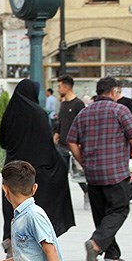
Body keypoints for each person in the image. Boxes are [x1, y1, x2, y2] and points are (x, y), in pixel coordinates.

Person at [67, 76, 132, 261]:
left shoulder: (84, 113)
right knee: (119, 210)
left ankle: (112, 256)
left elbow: (71, 141)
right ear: (114, 91)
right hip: (115, 172)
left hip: (93, 173)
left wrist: (83, 161)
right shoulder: (120, 110)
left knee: (102, 215)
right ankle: (96, 243)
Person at [0, 78, 74, 258]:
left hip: (11, 168)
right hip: (34, 170)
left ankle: (10, 239)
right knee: (34, 205)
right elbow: (46, 145)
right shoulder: (39, 114)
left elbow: (3, 141)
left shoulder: (10, 113)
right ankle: (35, 241)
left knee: (12, 204)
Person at [54, 75, 88, 210]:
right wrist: (56, 135)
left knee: (78, 174)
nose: (58, 89)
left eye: (60, 86)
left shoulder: (78, 104)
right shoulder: (63, 104)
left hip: (74, 145)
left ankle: (87, 192)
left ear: (67, 87)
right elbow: (61, 122)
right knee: (60, 174)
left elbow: (82, 124)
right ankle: (60, 202)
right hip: (61, 145)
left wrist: (81, 143)